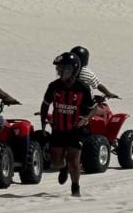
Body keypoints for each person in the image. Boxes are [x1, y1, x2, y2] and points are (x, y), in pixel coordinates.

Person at [40, 52, 94, 195]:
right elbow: (45, 104)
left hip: (76, 130)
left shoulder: (83, 88)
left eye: (64, 69)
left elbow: (92, 109)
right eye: (59, 69)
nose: (61, 72)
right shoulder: (53, 86)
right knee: (56, 162)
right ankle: (63, 167)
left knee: (73, 159)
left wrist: (85, 118)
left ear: (73, 70)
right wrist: (43, 121)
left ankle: (75, 187)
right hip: (58, 128)